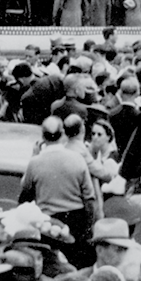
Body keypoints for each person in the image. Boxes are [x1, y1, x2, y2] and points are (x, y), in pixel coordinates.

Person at [19, 115, 96, 268]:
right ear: (63, 134)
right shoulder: (77, 158)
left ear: (43, 136)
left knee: (50, 265)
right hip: (76, 220)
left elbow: (25, 193)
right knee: (76, 266)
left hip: (47, 222)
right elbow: (89, 198)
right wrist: (88, 228)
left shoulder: (35, 162)